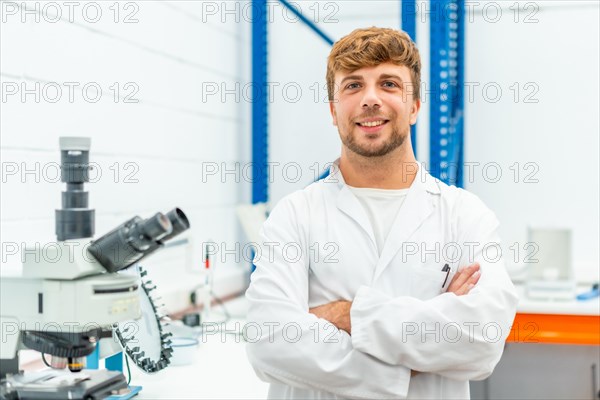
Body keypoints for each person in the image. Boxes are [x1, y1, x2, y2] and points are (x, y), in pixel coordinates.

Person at [245, 27, 518, 399]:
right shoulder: (293, 216)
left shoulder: (464, 215)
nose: (370, 99)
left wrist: (345, 315)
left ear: (416, 106)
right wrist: (414, 363)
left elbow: (483, 341)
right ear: (332, 109)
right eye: (353, 86)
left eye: (388, 84)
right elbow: (270, 343)